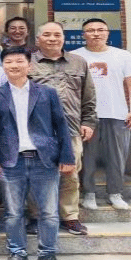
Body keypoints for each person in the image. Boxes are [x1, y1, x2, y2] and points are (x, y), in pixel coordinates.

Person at [0, 46, 75, 260]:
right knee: (13, 213)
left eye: (19, 61)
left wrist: (67, 156)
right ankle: (17, 254)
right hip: (11, 161)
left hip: (44, 160)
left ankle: (48, 255)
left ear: (30, 65)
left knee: (49, 212)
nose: (14, 65)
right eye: (9, 62)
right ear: (3, 66)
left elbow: (61, 125)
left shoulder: (47, 93)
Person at [28, 22, 97, 235]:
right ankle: (37, 216)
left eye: (57, 34)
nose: (52, 39)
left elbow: (88, 95)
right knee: (38, 174)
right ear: (38, 39)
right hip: (37, 130)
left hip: (71, 128)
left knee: (70, 174)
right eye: (47, 35)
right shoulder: (28, 62)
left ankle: (70, 217)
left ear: (64, 38)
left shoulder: (78, 62)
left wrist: (88, 122)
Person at [73, 18, 131, 211]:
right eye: (91, 30)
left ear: (107, 33)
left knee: (117, 156)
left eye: (100, 29)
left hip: (117, 114)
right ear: (83, 35)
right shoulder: (75, 56)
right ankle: (89, 193)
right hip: (86, 116)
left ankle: (115, 193)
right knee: (87, 157)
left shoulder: (123, 55)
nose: (96, 33)